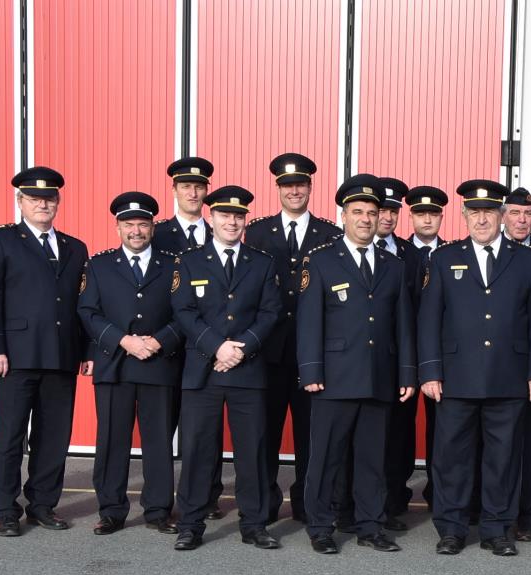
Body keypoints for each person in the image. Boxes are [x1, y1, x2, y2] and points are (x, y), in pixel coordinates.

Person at [416, 179, 531, 557]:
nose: (482, 219)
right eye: (474, 212)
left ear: (502, 216)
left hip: (509, 377)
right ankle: (452, 528)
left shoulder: (527, 260)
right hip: (457, 379)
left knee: (503, 458)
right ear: (464, 216)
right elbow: (430, 320)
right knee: (452, 458)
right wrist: (429, 371)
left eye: (489, 212)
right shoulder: (444, 258)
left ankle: (497, 528)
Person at [298, 175, 417, 554]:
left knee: (372, 459)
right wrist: (311, 371)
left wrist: (408, 373)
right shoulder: (320, 261)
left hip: (379, 377)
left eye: (371, 212)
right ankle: (319, 526)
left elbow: (404, 326)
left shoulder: (393, 265)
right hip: (333, 378)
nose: (366, 219)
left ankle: (371, 525)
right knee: (326, 458)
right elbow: (309, 321)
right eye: (358, 212)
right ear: (343, 216)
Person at [0, 166, 87, 536]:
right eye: (34, 197)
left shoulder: (74, 247)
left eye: (49, 197)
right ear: (20, 201)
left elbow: (82, 303)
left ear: (58, 202)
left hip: (61, 355)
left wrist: (84, 350)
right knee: (8, 436)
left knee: (53, 436)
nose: (43, 203)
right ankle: (5, 509)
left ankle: (42, 504)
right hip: (15, 357)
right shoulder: (1, 240)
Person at [170, 185, 284, 550]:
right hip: (203, 369)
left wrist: (243, 347)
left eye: (238, 216)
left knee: (252, 451)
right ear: (212, 217)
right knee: (198, 449)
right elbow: (183, 311)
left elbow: (270, 312)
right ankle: (190, 523)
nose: (232, 221)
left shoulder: (261, 262)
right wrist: (217, 346)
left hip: (247, 370)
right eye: (224, 215)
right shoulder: (189, 261)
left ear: (244, 221)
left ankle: (254, 524)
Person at [77, 191, 185, 535]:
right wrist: (122, 340)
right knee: (112, 439)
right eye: (128, 224)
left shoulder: (173, 264)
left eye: (142, 224)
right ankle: (111, 509)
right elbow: (87, 312)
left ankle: (157, 510)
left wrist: (159, 340)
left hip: (159, 362)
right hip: (115, 363)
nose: (136, 231)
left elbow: (186, 312)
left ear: (153, 226)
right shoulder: (99, 264)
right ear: (117, 227)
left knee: (158, 440)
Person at [245, 152, 340, 523]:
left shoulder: (330, 234)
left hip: (313, 355)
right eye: (287, 185)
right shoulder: (256, 232)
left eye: (300, 184)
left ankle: (306, 502)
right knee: (264, 432)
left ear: (310, 187)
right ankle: (266, 502)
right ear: (278, 189)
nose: (294, 191)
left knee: (311, 435)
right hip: (267, 352)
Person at [384, 183, 447, 526]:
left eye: (433, 213)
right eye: (420, 212)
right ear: (411, 216)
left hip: (442, 357)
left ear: (441, 216)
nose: (427, 218)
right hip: (404, 356)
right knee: (398, 430)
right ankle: (395, 496)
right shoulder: (400, 254)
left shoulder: (453, 253)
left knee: (444, 431)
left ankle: (442, 495)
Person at [153, 157, 213, 255]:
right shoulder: (156, 233)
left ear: (206, 192)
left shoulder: (219, 235)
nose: (193, 194)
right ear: (174, 191)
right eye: (186, 187)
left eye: (199, 187)